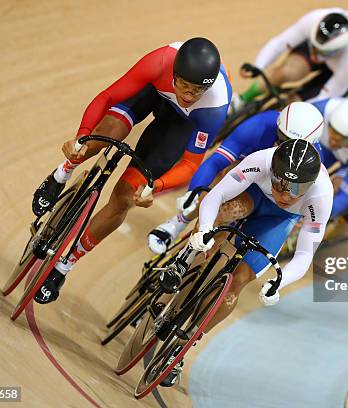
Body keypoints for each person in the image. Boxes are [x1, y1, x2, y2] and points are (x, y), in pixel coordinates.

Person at [31, 37, 232, 304]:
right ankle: (61, 174)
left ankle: (64, 266)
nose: (187, 94)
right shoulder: (160, 61)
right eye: (184, 84)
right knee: (98, 140)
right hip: (152, 94)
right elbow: (109, 96)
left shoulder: (214, 107)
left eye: (196, 90)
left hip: (179, 124)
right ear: (174, 73)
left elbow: (190, 164)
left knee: (125, 198)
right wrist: (82, 136)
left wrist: (155, 187)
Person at [160, 139, 333, 386]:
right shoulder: (261, 160)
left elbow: (305, 254)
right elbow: (217, 194)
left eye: (295, 190)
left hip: (278, 221)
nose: (284, 194)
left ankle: (181, 346)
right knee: (221, 217)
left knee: (238, 282)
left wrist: (278, 283)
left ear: (310, 186)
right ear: (272, 171)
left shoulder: (322, 195)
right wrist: (205, 230)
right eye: (279, 183)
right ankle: (183, 261)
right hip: (253, 196)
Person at [148, 101, 324, 254]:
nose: (283, 145)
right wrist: (193, 192)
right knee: (223, 178)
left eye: (291, 142)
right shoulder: (259, 126)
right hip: (248, 172)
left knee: (226, 233)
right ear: (277, 125)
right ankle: (179, 222)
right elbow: (216, 162)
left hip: (274, 192)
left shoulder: (313, 160)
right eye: (281, 137)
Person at [230, 8, 348, 113]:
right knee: (287, 72)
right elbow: (279, 43)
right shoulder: (314, 19)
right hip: (332, 48)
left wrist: (297, 109)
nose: (314, 57)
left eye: (322, 53)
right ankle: (243, 100)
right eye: (314, 48)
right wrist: (258, 66)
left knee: (296, 106)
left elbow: (327, 96)